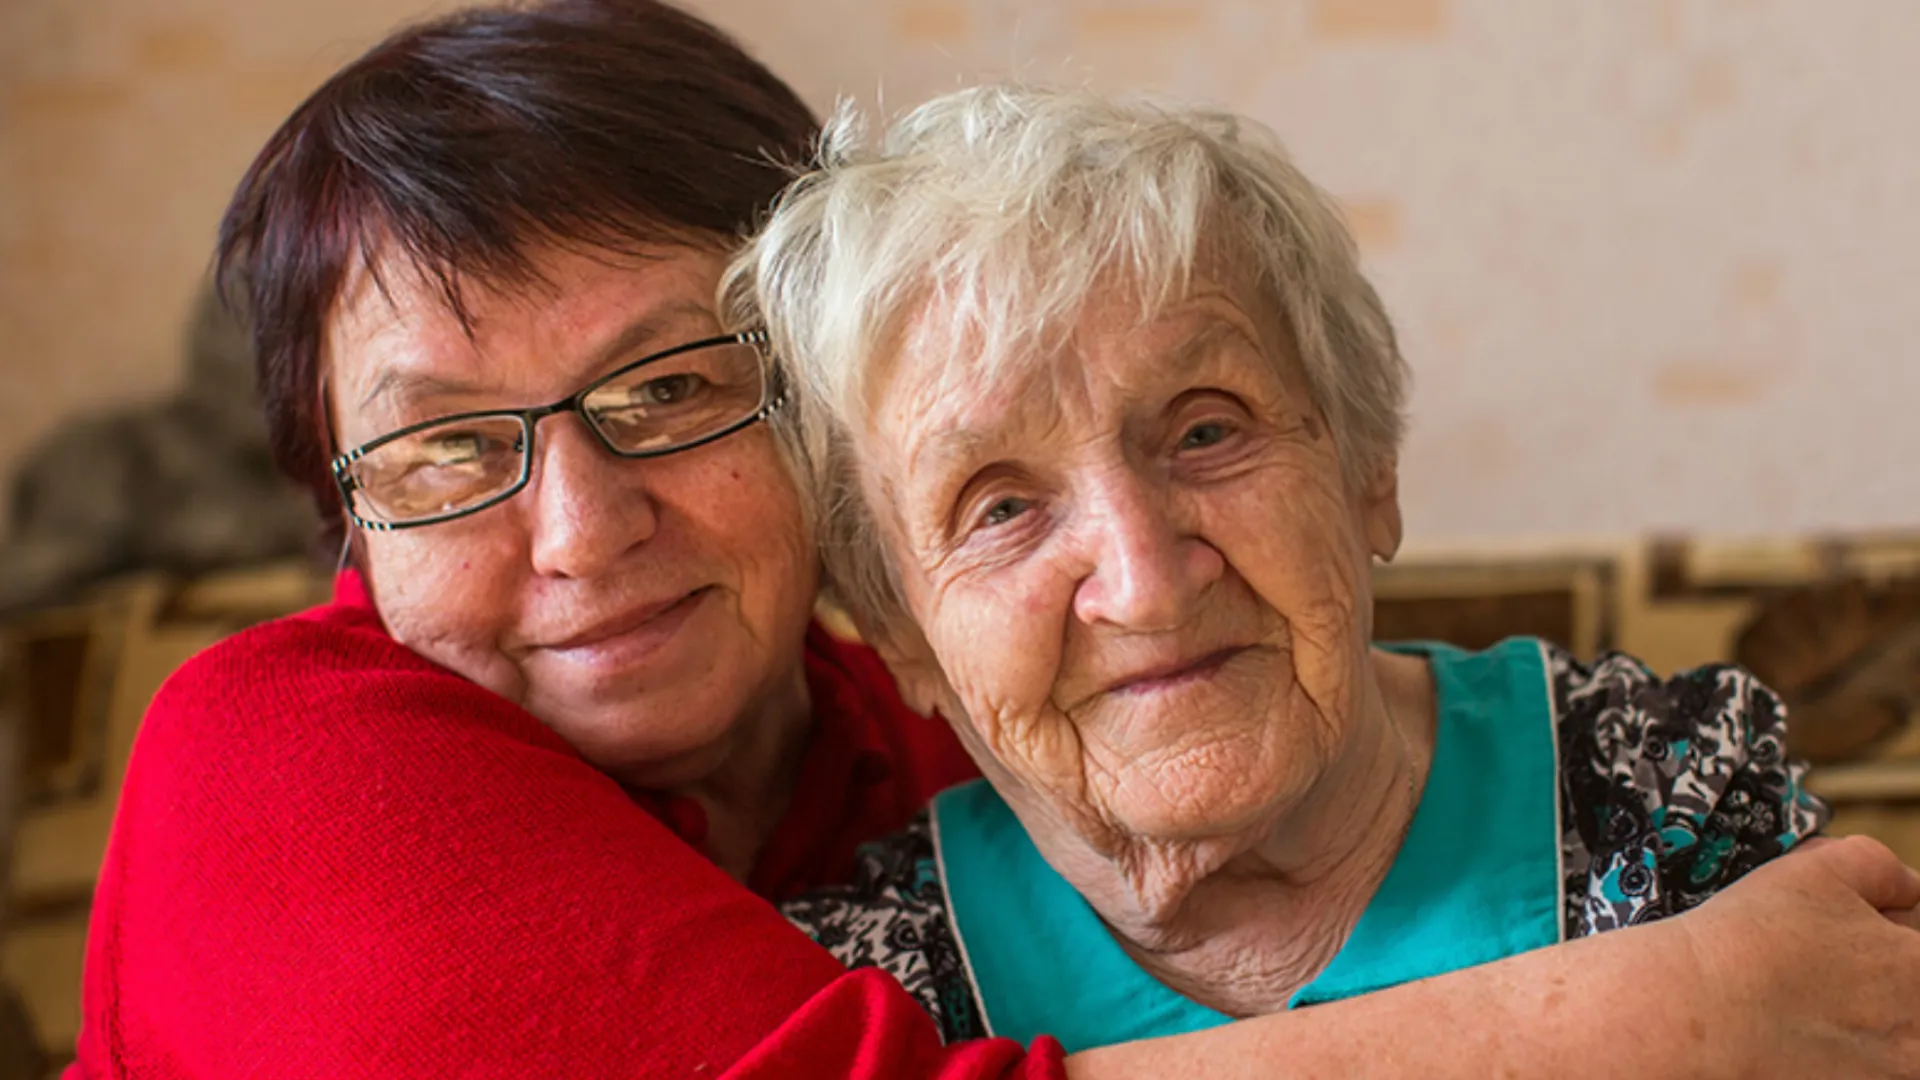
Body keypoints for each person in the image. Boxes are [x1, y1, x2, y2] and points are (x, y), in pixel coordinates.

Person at [67, 3, 1920, 1078]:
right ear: (345, 518)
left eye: (667, 392)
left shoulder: (932, 753)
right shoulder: (284, 762)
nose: (581, 527)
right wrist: (1673, 1015)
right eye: (445, 450)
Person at [734, 82, 1865, 1049]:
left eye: (1206, 431)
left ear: (1369, 466)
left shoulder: (1667, 799)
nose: (1146, 581)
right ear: (898, 632)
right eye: (1002, 506)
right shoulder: (859, 991)